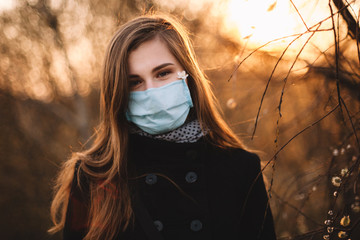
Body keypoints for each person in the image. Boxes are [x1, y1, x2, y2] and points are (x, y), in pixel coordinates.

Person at [49, 13, 277, 240]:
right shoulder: (93, 177)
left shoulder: (239, 169)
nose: (152, 92)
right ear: (118, 93)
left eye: (163, 73)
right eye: (135, 82)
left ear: (188, 76)